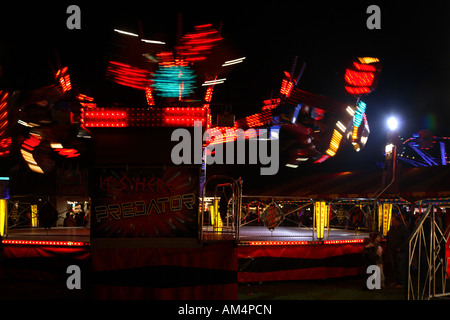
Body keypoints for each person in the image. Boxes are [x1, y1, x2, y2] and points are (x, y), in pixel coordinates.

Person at [386, 215, 409, 288]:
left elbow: (406, 240)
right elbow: (388, 237)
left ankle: (402, 282)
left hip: (400, 251)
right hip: (392, 250)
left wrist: (400, 248)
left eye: (393, 221)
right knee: (394, 266)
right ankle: (397, 281)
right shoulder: (392, 229)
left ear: (398, 221)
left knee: (400, 267)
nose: (392, 222)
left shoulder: (403, 229)